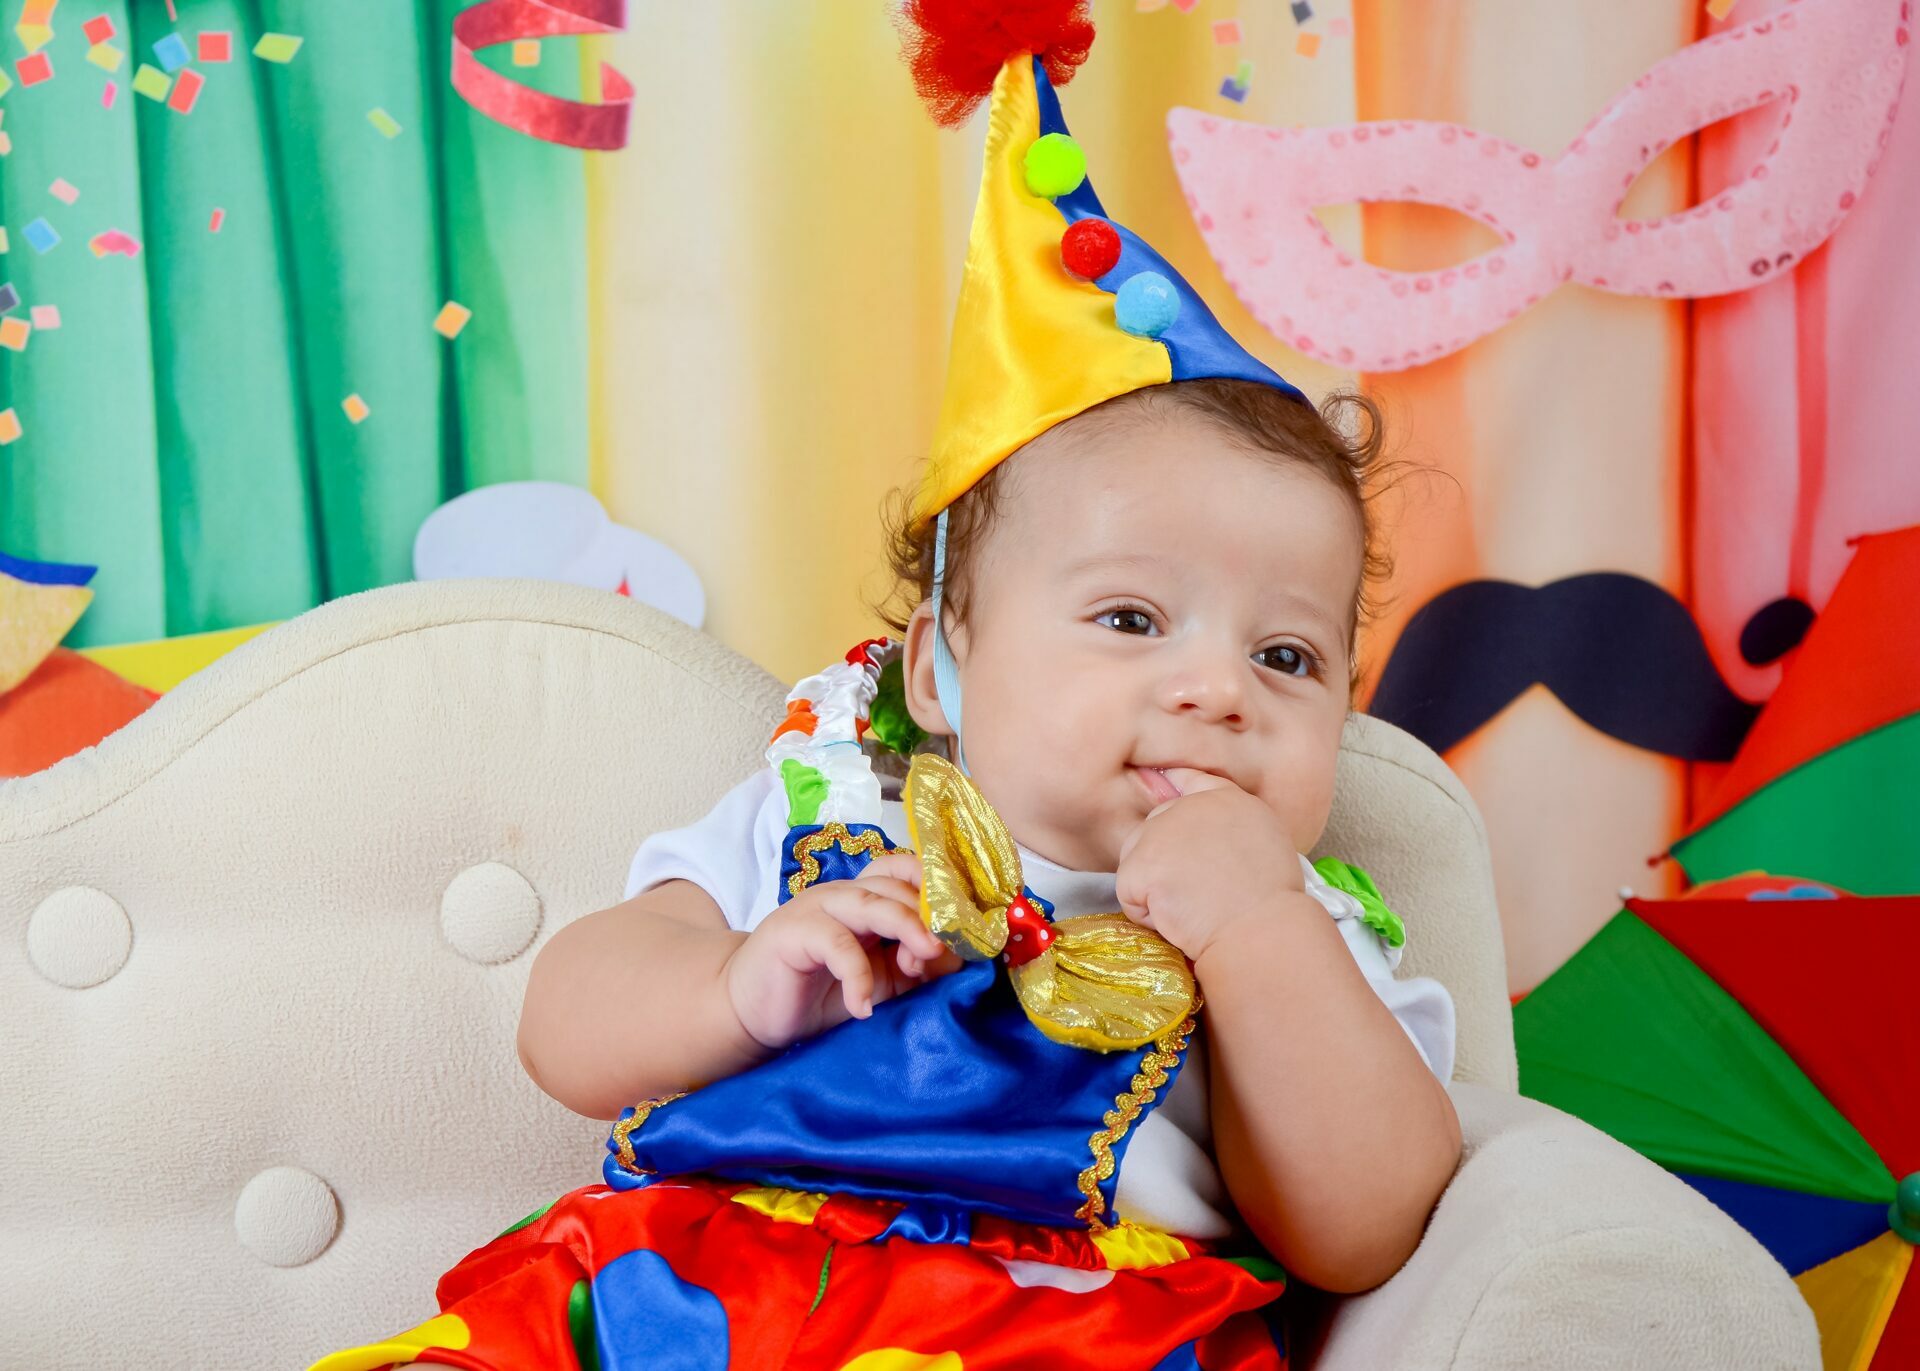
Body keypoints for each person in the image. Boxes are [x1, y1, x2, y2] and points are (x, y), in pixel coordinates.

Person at [310, 6, 1459, 1368]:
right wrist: (735, 987)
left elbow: (1362, 1232)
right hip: (701, 1294)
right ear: (939, 668)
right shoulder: (834, 813)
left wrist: (1258, 930)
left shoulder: (1305, 927)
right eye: (1130, 618)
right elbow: (565, 1028)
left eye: (1287, 656)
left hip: (1060, 1330)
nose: (1219, 690)